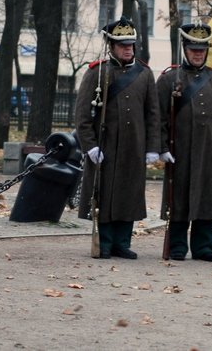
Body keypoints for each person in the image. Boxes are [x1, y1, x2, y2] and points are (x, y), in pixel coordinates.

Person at [75, 17, 161, 260]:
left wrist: (152, 147)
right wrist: (90, 146)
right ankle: (104, 242)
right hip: (106, 145)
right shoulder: (97, 72)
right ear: (111, 45)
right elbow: (82, 115)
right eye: (122, 45)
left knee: (129, 194)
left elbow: (153, 114)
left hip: (135, 145)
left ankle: (122, 242)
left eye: (130, 45)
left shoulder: (144, 73)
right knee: (104, 194)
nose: (128, 49)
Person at [156, 22, 212, 262]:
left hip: (208, 148)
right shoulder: (169, 79)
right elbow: (158, 118)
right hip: (179, 148)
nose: (198, 54)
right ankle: (177, 245)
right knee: (178, 197)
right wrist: (162, 148)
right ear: (184, 49)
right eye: (193, 49)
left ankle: (204, 247)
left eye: (202, 49)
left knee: (206, 197)